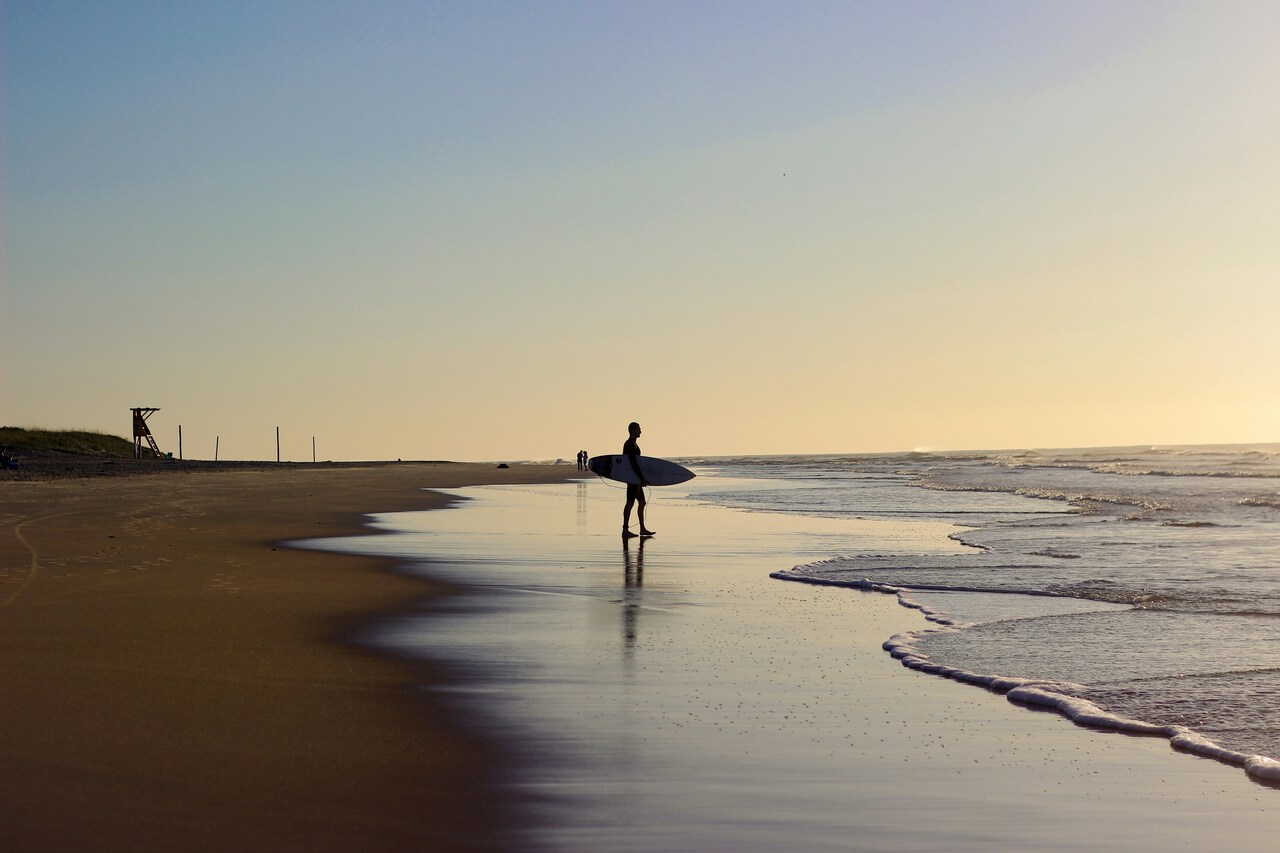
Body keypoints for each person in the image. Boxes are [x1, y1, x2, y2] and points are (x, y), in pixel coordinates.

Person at [621, 422, 655, 538]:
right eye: (639, 429)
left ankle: (642, 529)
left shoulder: (634, 444)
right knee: (630, 503)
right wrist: (641, 479)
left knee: (642, 502)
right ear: (633, 430)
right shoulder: (629, 444)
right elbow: (633, 464)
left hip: (635, 479)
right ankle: (625, 530)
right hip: (633, 479)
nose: (640, 431)